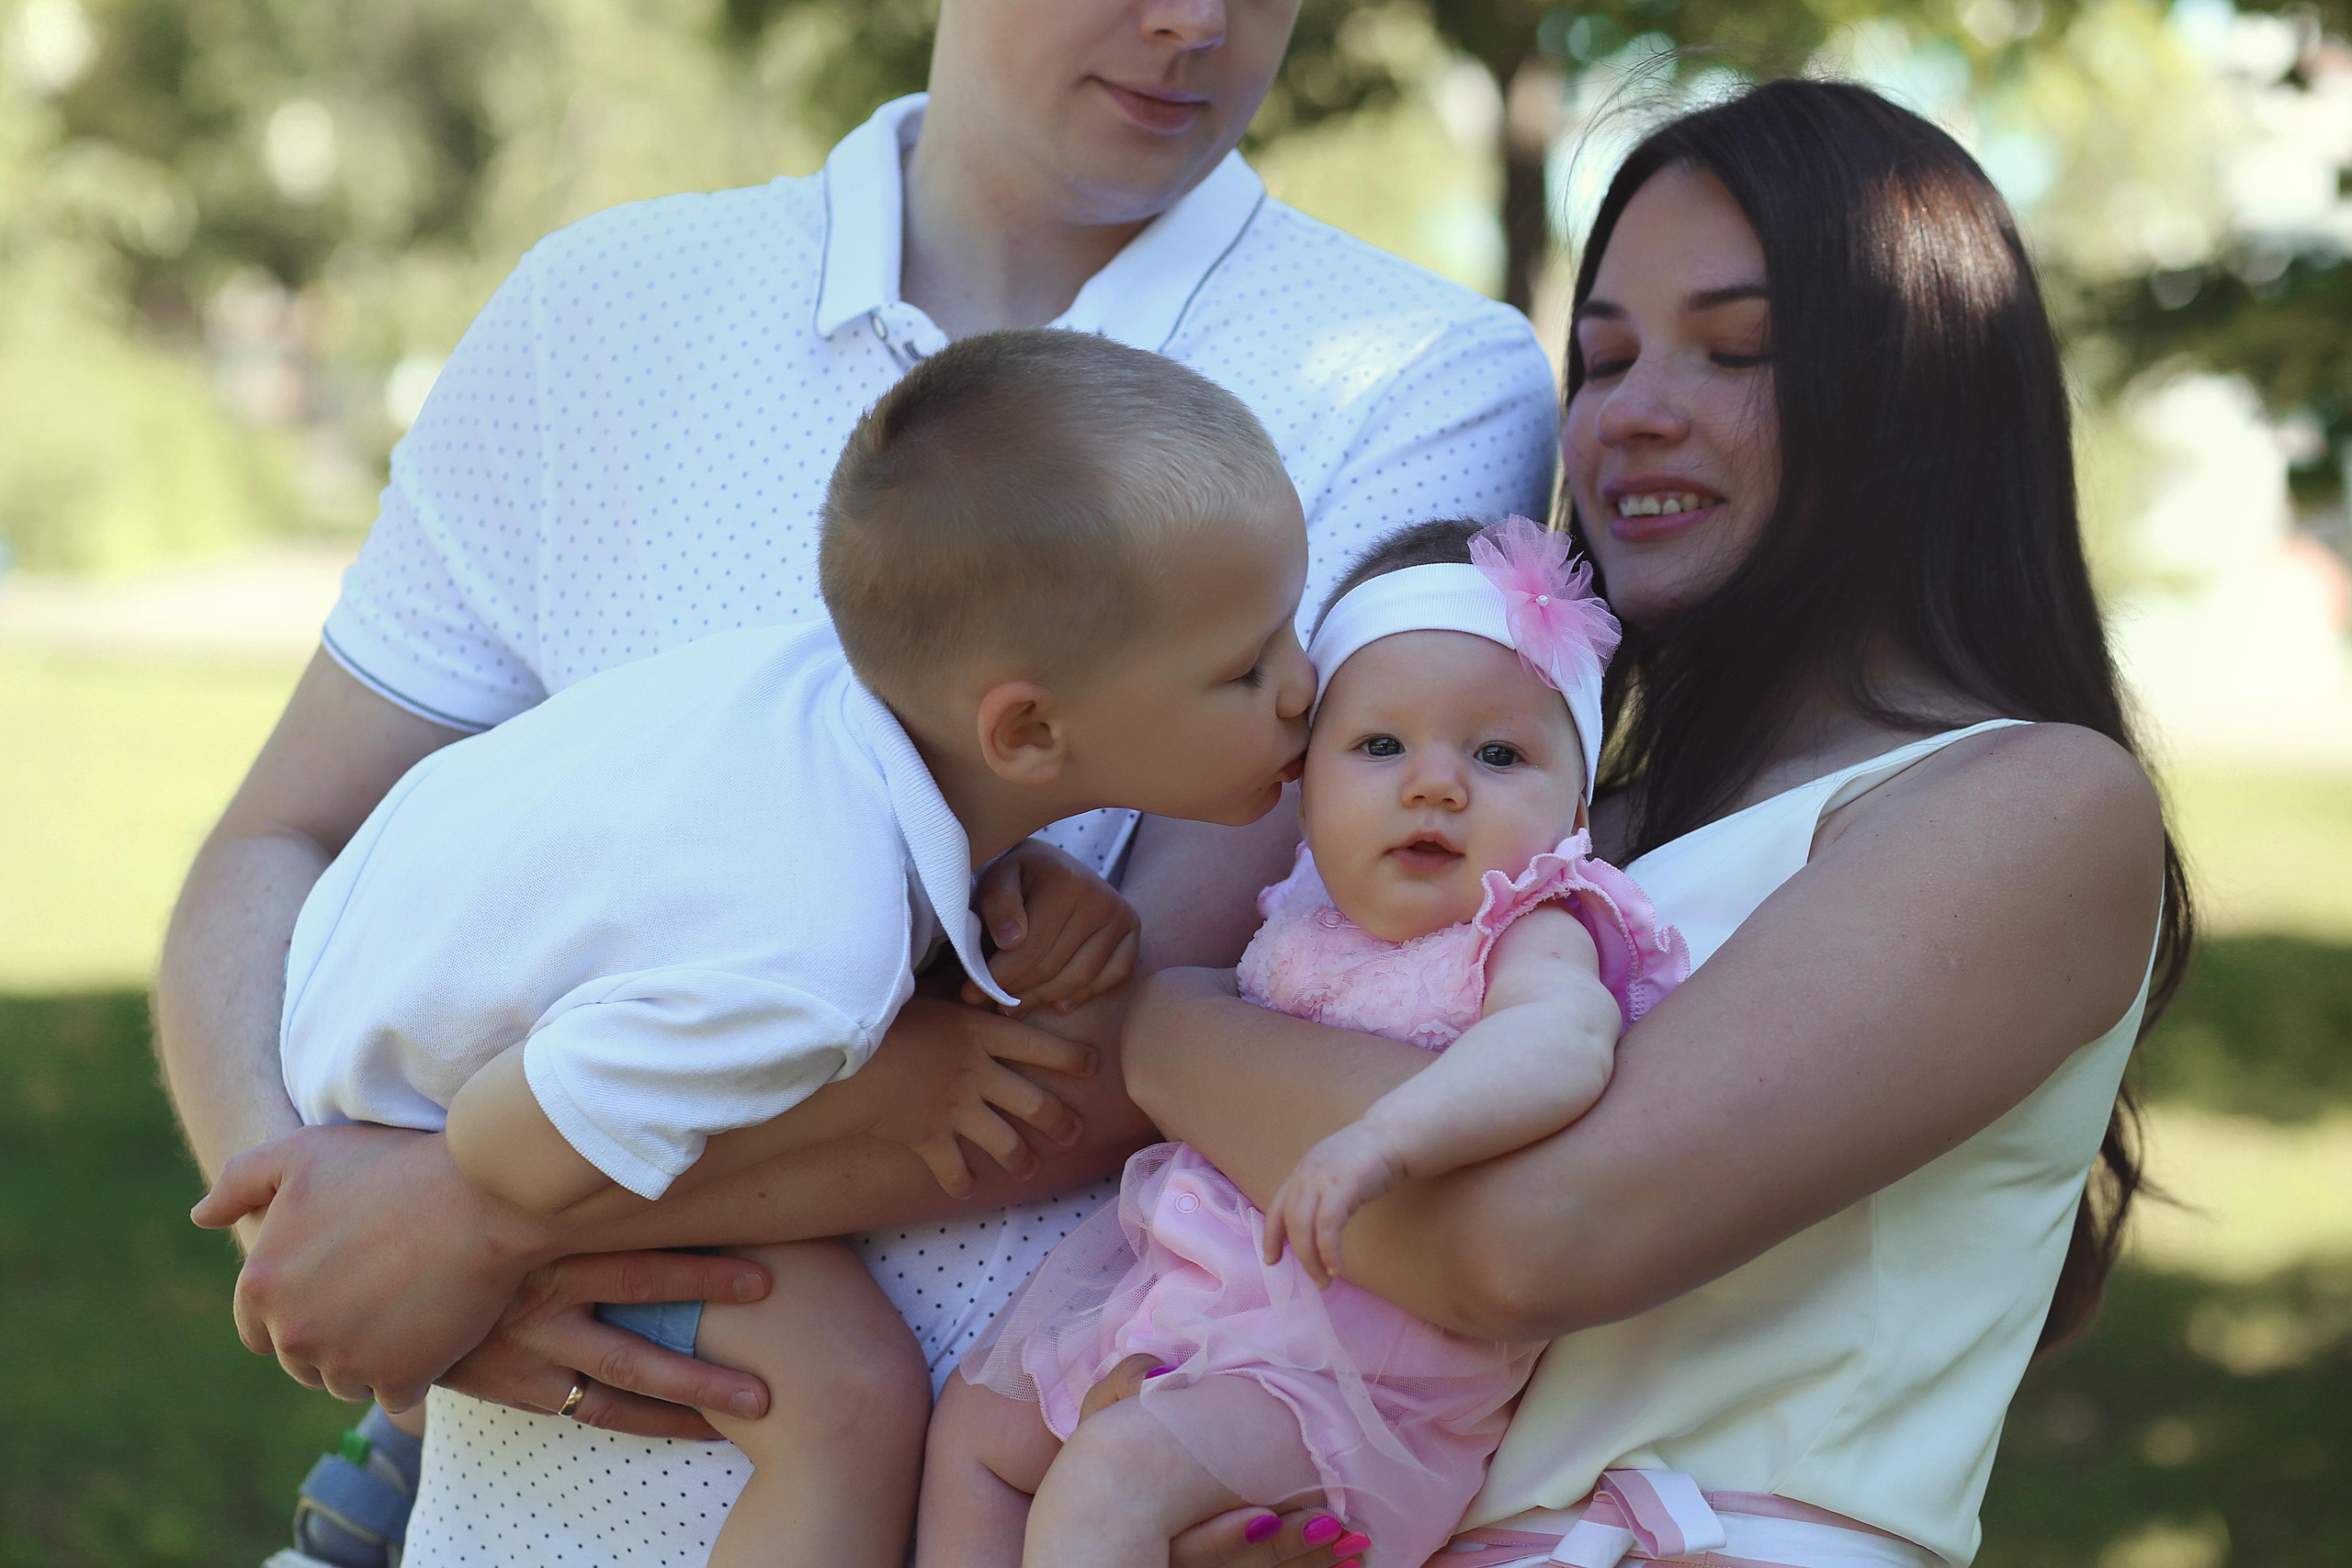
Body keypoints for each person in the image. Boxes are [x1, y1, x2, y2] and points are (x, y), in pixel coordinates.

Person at [153, 1, 1557, 1562]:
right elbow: (282, 837)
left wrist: (471, 1227)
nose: (1194, 22)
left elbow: (1125, 1053)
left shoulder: (1418, 375)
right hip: (493, 1512)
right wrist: (310, 1230)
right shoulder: (603, 306)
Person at [1115, 79, 2193, 1568]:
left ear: (1921, 391)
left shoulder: (2030, 805)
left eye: (1736, 350)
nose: (1635, 414)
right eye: (1605, 356)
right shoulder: (1554, 819)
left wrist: (1159, 1038)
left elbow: (1527, 1240)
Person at [190, 332, 1317, 1568]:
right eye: (1246, 665)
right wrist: (864, 1077)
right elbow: (505, 1143)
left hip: (388, 959)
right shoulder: (816, 968)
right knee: (845, 1389)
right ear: (1030, 729)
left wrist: (1007, 877)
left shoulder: (825, 691)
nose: (1303, 685)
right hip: (405, 1106)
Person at [922, 516, 1689, 1568]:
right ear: (1305, 779)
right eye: (1378, 746)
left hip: (1358, 1384)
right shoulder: (1297, 911)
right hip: (1191, 1307)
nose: (1433, 784)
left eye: (1499, 753)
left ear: (1576, 803)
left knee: (1108, 1480)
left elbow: (1559, 1046)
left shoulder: (1532, 925)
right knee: (975, 1431)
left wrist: (1385, 1140)